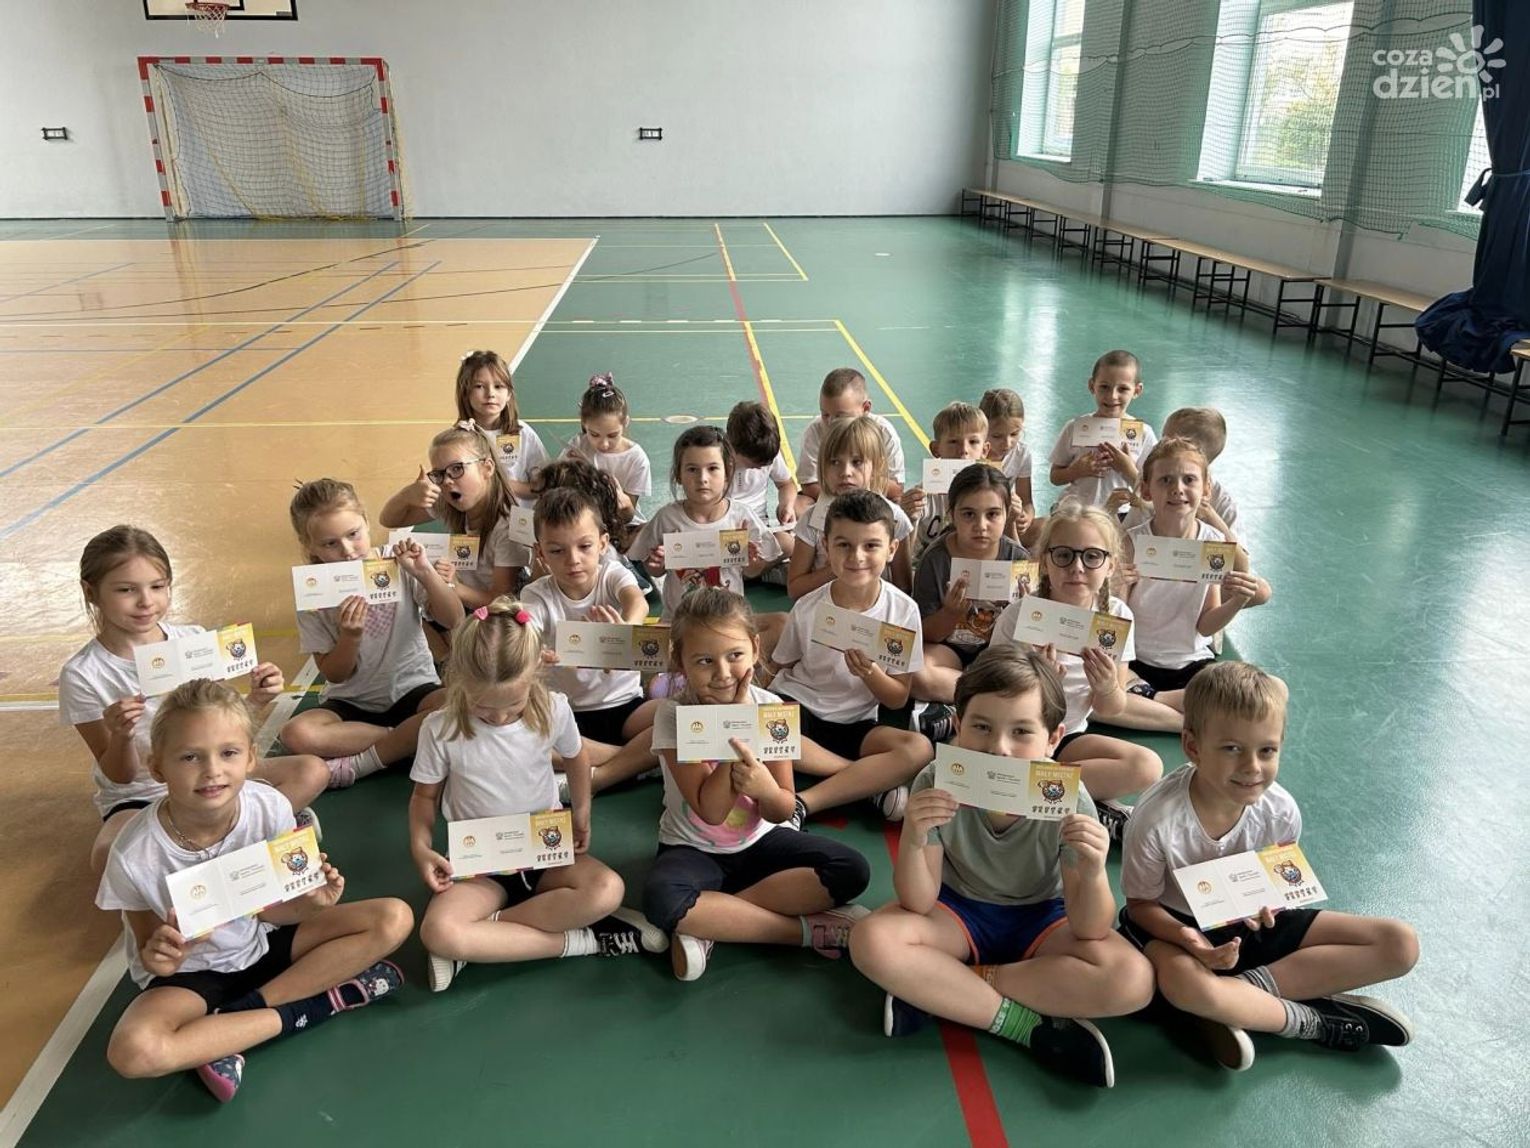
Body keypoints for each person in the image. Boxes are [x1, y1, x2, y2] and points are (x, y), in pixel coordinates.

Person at [849, 647, 1154, 1089]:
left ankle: (945, 988)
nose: (999, 747)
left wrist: (1092, 871)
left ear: (1053, 739)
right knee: (871, 939)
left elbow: (1090, 928)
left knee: (1133, 980)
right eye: (981, 727)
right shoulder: (936, 780)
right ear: (958, 725)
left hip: (1044, 919)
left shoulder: (1069, 798)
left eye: (1022, 732)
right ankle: (1023, 1025)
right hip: (957, 913)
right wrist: (913, 837)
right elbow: (917, 902)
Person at [97, 679, 412, 1103]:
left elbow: (271, 911)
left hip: (264, 940)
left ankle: (231, 1025)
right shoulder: (134, 854)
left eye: (228, 753)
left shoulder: (270, 807)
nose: (212, 770)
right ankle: (316, 1006)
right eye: (190, 757)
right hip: (194, 976)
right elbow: (151, 956)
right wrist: (168, 953)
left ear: (250, 758)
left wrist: (311, 905)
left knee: (393, 918)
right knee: (133, 1051)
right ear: (157, 768)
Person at [1120, 661, 1419, 1070]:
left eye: (1267, 750)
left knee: (1400, 944)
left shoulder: (1281, 811)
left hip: (1250, 924)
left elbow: (1278, 885)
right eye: (1232, 749)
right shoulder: (1156, 819)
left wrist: (1270, 907)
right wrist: (1190, 940)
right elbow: (1140, 906)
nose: (1252, 767)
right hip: (1175, 929)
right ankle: (1308, 1022)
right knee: (1186, 985)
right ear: (1192, 746)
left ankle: (1238, 998)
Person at [409, 599, 663, 993]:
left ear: (535, 675)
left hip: (545, 850)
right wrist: (421, 847)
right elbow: (424, 798)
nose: (498, 717)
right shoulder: (440, 728)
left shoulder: (552, 709)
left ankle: (486, 937)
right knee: (438, 932)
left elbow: (577, 758)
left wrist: (582, 810)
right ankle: (585, 940)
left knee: (607, 890)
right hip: (481, 864)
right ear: (458, 679)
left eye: (513, 704)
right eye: (482, 706)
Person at [60, 525, 326, 874]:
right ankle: (246, 835)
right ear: (91, 592)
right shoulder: (83, 674)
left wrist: (257, 699)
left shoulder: (193, 642)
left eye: (157, 587)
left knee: (311, 770)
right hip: (143, 795)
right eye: (126, 590)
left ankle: (234, 833)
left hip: (210, 772)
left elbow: (221, 727)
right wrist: (122, 735)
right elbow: (119, 775)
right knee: (107, 856)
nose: (146, 601)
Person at [643, 588, 872, 981]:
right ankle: (801, 932)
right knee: (662, 899)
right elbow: (711, 811)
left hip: (760, 842)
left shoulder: (771, 709)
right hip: (691, 848)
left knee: (852, 869)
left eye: (734, 655)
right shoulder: (673, 715)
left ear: (754, 647)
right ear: (680, 661)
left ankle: (715, 921)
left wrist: (765, 790)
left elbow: (782, 809)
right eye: (704, 660)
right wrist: (736, 727)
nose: (722, 673)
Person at [990, 502, 1173, 838]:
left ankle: (1032, 795)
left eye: (1092, 556)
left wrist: (1106, 687)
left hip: (1067, 735)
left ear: (1110, 565)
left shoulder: (1116, 617)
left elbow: (1111, 708)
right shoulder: (1020, 616)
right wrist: (1037, 682)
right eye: (1063, 555)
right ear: (1045, 562)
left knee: (1148, 766)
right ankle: (1074, 801)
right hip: (1014, 737)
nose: (1076, 567)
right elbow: (990, 696)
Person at [279, 479, 463, 787]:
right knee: (296, 734)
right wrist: (349, 637)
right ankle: (404, 742)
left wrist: (426, 573)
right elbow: (335, 674)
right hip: (352, 703)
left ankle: (374, 754)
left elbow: (454, 618)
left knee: (460, 706)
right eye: (330, 544)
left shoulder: (398, 561)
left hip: (414, 690)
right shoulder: (314, 591)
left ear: (366, 522)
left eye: (353, 534)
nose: (347, 551)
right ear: (309, 545)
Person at [765, 490, 933, 824]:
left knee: (920, 749)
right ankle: (862, 780)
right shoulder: (808, 606)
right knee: (757, 722)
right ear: (826, 547)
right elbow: (779, 666)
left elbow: (897, 698)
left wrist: (870, 673)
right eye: (843, 545)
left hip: (856, 724)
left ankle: (803, 803)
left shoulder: (903, 610)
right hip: (800, 709)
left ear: (892, 549)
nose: (856, 556)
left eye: (871, 545)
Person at [522, 488, 661, 792]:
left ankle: (598, 774)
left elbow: (637, 602)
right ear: (540, 553)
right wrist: (535, 654)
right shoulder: (536, 594)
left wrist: (624, 630)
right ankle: (634, 762)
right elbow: (526, 631)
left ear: (602, 543)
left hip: (626, 707)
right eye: (557, 551)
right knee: (520, 736)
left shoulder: (612, 573)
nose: (573, 560)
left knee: (677, 718)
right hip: (568, 716)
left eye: (584, 546)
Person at [1121, 438, 1270, 699]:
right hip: (1136, 661)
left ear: (1206, 489)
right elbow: (1118, 617)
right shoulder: (1131, 543)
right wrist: (1113, 588)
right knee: (1107, 693)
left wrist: (1237, 601)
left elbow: (1205, 626)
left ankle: (1157, 702)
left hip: (1192, 663)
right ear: (1146, 490)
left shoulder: (1213, 543)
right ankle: (1167, 703)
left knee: (1257, 693)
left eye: (1189, 480)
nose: (1177, 489)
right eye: (1165, 480)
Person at [628, 425, 782, 649]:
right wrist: (656, 564)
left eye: (712, 468)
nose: (702, 478)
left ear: (728, 472)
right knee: (643, 648)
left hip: (727, 622)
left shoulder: (741, 516)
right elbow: (654, 569)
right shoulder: (667, 518)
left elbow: (752, 571)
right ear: (678, 474)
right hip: (680, 624)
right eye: (692, 469)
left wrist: (753, 561)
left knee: (782, 623)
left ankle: (718, 660)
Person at [909, 462, 1027, 708]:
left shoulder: (1017, 559)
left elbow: (1027, 638)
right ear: (952, 514)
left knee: (1030, 669)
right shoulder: (935, 559)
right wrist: (950, 613)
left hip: (997, 653)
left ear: (1007, 514)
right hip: (948, 650)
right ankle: (991, 697)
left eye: (992, 514)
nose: (981, 525)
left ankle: (967, 696)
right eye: (969, 514)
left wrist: (1026, 612)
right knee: (916, 674)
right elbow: (924, 633)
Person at [378, 422, 530, 608]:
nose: (447, 481)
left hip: (499, 615)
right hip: (468, 604)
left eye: (457, 468)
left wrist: (453, 587)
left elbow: (501, 601)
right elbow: (389, 519)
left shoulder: (508, 527)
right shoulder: (451, 503)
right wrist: (407, 495)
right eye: (439, 474)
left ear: (487, 468)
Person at [786, 415, 914, 599]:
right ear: (823, 467)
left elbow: (904, 588)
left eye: (857, 462)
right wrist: (839, 567)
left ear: (877, 466)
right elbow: (795, 590)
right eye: (835, 462)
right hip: (825, 611)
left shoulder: (895, 518)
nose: (845, 472)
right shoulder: (811, 521)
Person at [1047, 350, 1158, 508]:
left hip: (1121, 513)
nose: (1112, 396)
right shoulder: (1075, 427)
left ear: (1137, 391)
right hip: (1077, 511)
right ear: (1092, 386)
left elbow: (1152, 489)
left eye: (1123, 389)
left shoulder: (1144, 433)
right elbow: (1054, 477)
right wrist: (1076, 471)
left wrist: (1128, 469)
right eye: (1104, 387)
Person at [794, 367, 906, 509]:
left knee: (900, 503)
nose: (831, 422)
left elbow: (896, 488)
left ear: (865, 408)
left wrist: (859, 485)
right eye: (825, 414)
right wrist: (840, 497)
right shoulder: (815, 431)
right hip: (830, 499)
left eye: (840, 416)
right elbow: (809, 484)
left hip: (871, 500)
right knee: (797, 505)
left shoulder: (884, 432)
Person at [899, 401, 990, 566]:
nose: (964, 450)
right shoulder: (923, 496)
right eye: (953, 441)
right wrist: (909, 518)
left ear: (985, 450)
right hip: (932, 566)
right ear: (936, 449)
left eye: (973, 442)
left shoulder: (994, 494)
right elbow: (909, 558)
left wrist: (1012, 519)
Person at [562, 372, 651, 542]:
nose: (603, 444)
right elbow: (556, 489)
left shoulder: (637, 459)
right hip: (583, 521)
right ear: (584, 424)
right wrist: (571, 472)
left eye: (612, 435)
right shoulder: (578, 445)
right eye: (594, 434)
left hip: (622, 526)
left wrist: (619, 499)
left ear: (625, 423)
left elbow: (628, 516)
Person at [452, 349, 548, 503]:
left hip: (520, 517)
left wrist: (502, 484)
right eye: (479, 386)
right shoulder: (458, 439)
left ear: (509, 394)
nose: (490, 394)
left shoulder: (522, 433)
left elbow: (543, 486)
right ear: (465, 393)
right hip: (477, 517)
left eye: (498, 386)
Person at [725, 400, 797, 564]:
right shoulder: (717, 462)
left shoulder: (767, 452)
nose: (761, 467)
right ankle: (757, 569)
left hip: (760, 527)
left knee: (789, 544)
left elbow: (786, 484)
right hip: (728, 530)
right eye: (755, 464)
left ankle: (754, 568)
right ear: (733, 447)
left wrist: (787, 505)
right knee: (740, 557)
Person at [980, 386, 1036, 544]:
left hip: (1005, 519)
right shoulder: (972, 453)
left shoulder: (1021, 454)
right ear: (983, 428)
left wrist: (1026, 517)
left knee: (1045, 527)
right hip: (978, 520)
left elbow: (1027, 502)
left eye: (1014, 434)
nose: (1007, 443)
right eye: (997, 436)